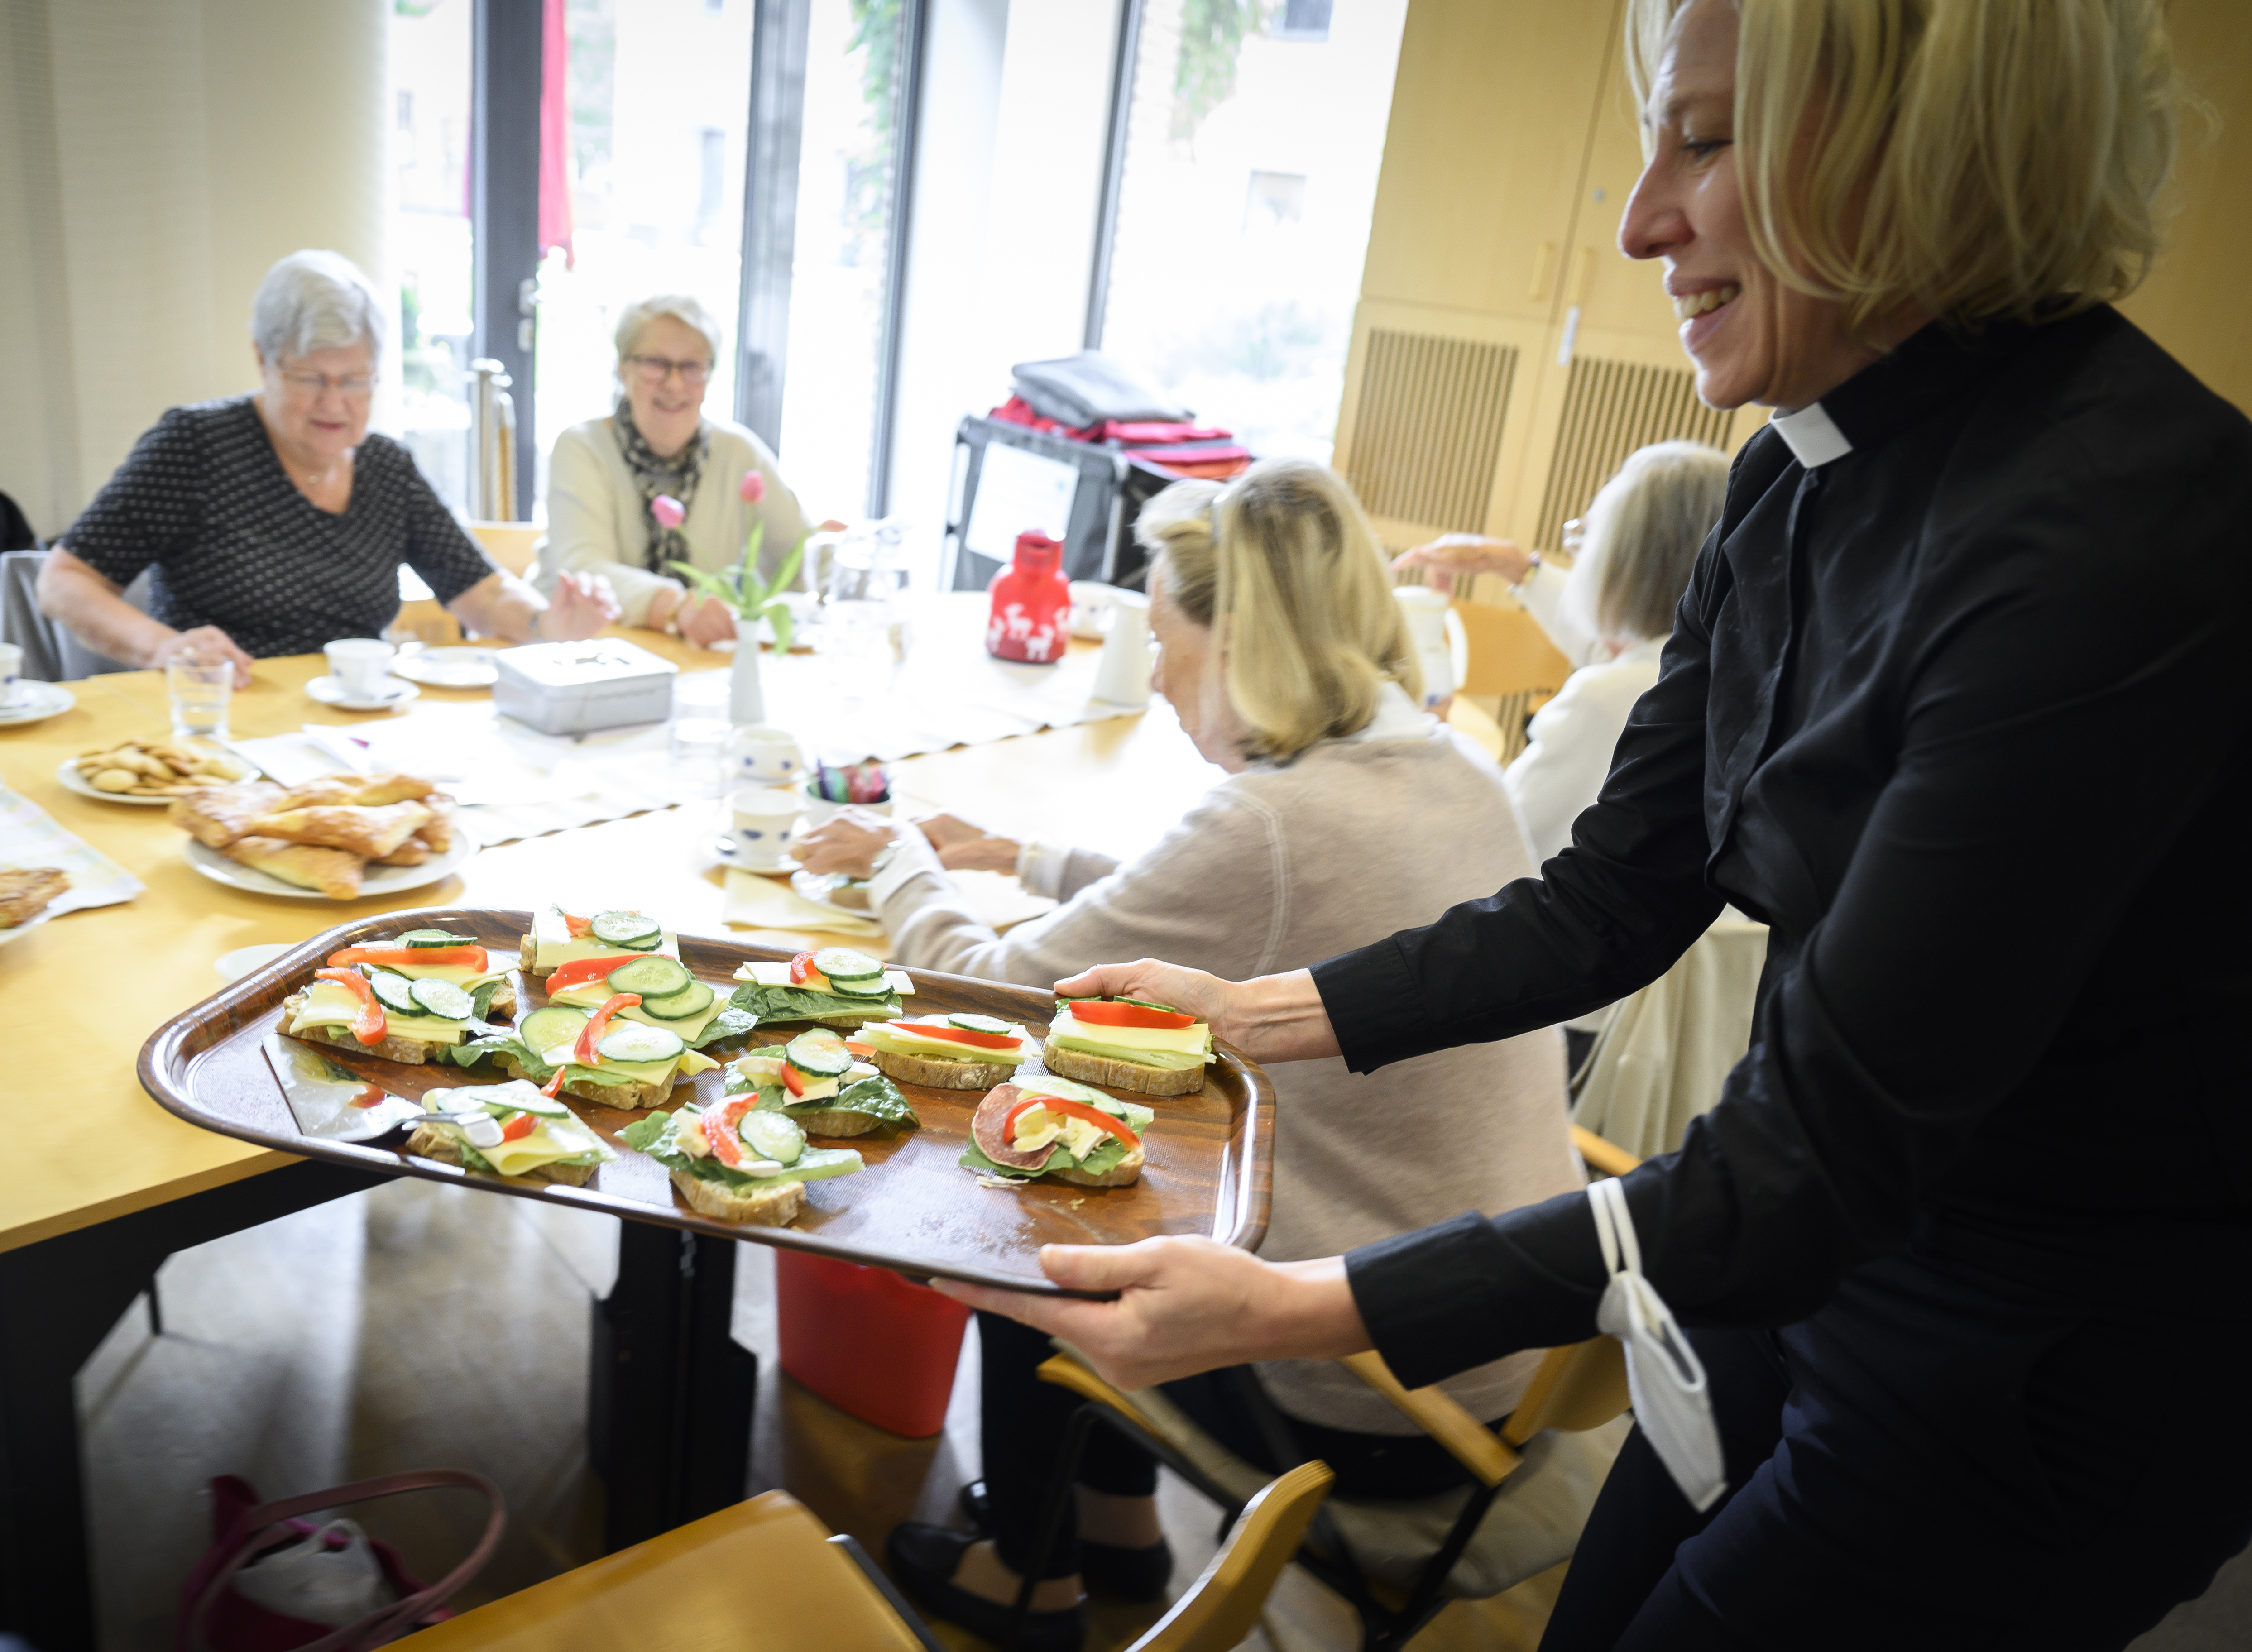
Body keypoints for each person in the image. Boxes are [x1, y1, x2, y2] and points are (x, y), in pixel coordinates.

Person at [940, 2, 2252, 1648]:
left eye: (1702, 141)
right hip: (1822, 1264)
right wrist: (1251, 1011)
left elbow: (1813, 1158)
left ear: (1915, 148)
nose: (1639, 219)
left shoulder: (2111, 543)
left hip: (2052, 1352)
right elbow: (1608, 899)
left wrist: (1303, 1303)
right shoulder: (1792, 475)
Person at [791, 459, 1582, 1652]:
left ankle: (1029, 1577)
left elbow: (994, 994)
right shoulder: (1436, 759)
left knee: (1029, 1187)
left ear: (1242, 640)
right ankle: (1116, 1526)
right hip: (1503, 1351)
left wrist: (902, 854)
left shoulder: (1271, 824)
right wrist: (1019, 851)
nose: (1155, 674)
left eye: (1164, 638)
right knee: (1138, 1136)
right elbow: (1224, 907)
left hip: (1370, 1396)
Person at [38, 249, 617, 680]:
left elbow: (482, 595)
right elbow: (65, 581)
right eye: (311, 379)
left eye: (355, 381)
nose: (335, 404)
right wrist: (162, 647)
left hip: (351, 725)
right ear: (263, 359)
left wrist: (548, 626)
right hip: (220, 721)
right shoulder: (196, 446)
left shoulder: (386, 469)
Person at [1401, 442, 1729, 866]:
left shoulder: (1607, 698)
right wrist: (1520, 569)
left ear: (1621, 560)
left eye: (1583, 541)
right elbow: (1615, 652)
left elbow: (1488, 840)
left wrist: (1437, 744)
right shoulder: (1713, 666)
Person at [540, 295, 829, 648]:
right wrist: (676, 607)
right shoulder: (582, 447)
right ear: (623, 369)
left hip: (697, 661)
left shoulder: (739, 452)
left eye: (692, 367)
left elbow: (801, 554)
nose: (675, 384)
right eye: (656, 364)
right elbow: (585, 570)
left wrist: (851, 571)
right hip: (585, 651)